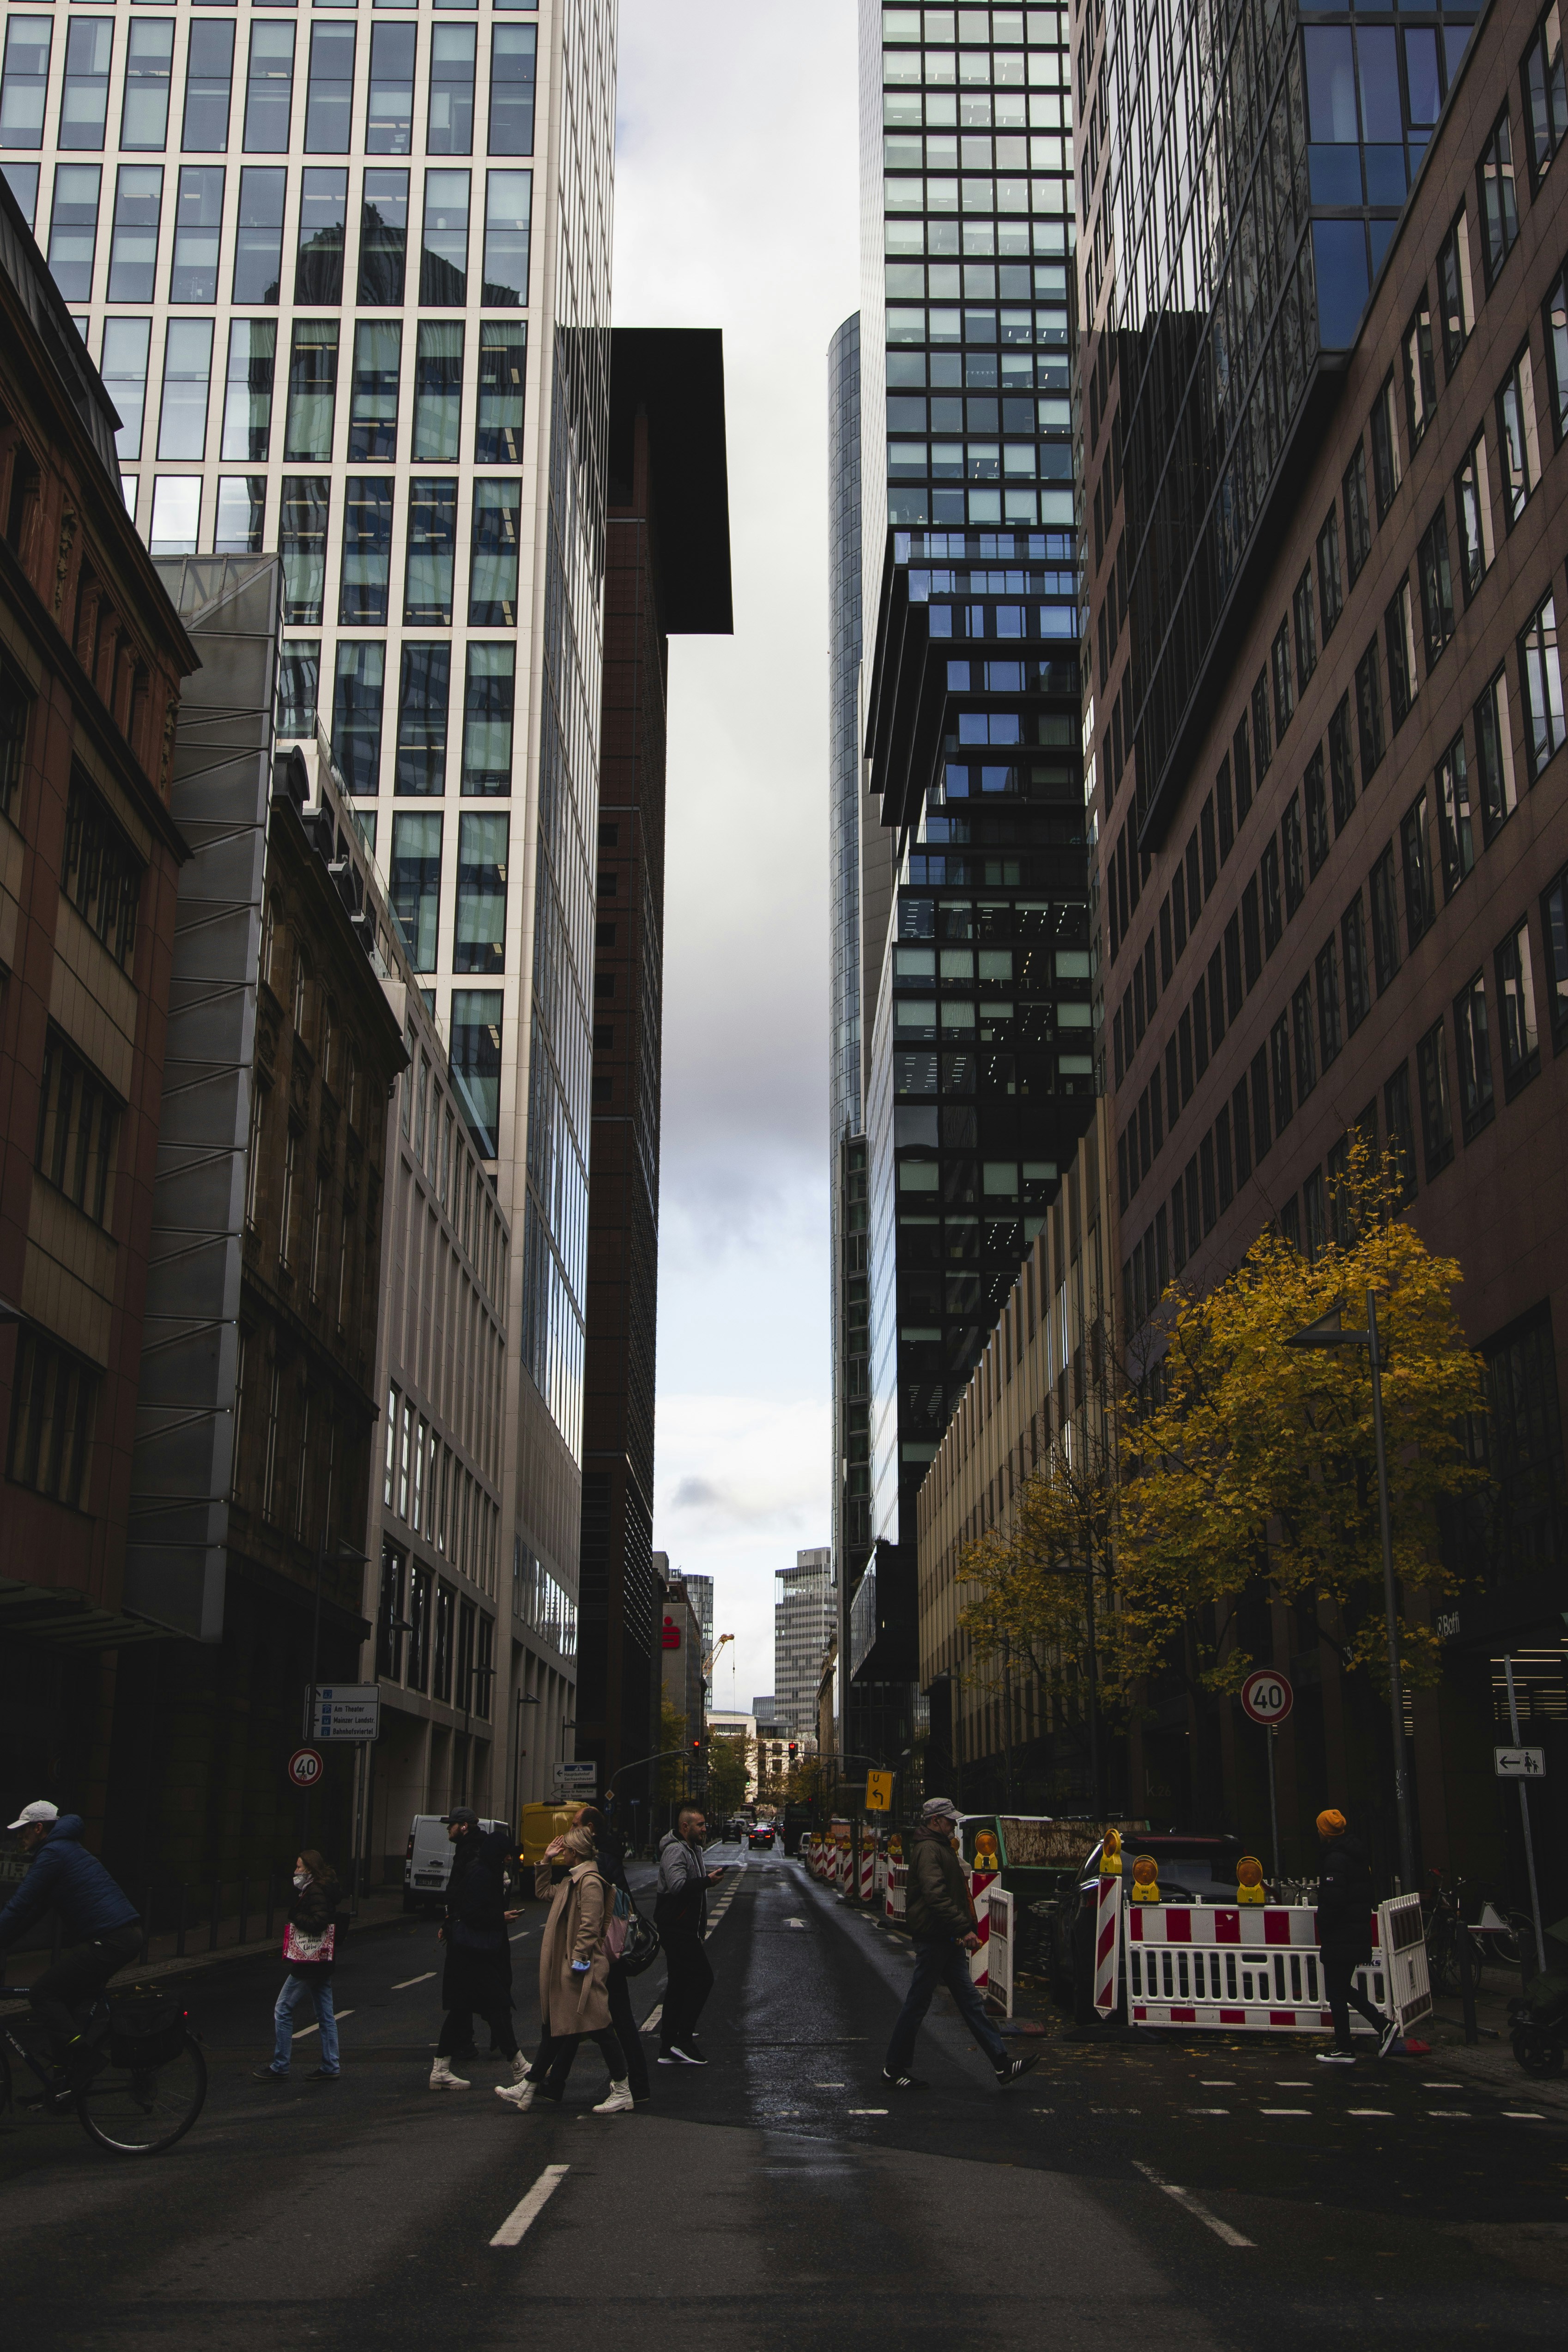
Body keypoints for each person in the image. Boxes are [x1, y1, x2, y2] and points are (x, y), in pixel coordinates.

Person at [883, 1797, 1039, 2092]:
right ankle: (894, 2067)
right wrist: (961, 1928)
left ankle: (1001, 2063)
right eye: (949, 1820)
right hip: (936, 1937)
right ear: (934, 1822)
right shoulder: (930, 1849)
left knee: (968, 2002)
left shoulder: (937, 1847)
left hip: (944, 1938)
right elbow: (936, 1895)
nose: (954, 1824)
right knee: (920, 2003)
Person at [0, 1800, 142, 2099]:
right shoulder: (62, 1849)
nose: (19, 1837)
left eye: (23, 1831)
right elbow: (31, 1914)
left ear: (39, 1828)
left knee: (43, 1994)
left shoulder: (53, 1853)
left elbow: (19, 1905)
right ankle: (63, 2086)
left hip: (111, 1941)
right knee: (60, 2006)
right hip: (120, 1937)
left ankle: (84, 2059)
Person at [496, 1823, 631, 2114]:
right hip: (575, 1967)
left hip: (584, 1969)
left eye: (565, 1850)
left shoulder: (590, 1882)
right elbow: (545, 1892)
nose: (563, 1855)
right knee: (559, 2028)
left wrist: (579, 1959)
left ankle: (622, 2089)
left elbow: (590, 1926)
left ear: (575, 1852)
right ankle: (531, 2086)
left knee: (600, 2030)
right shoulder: (574, 1881)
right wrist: (545, 1860)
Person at [430, 1810, 526, 2091]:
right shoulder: (483, 1872)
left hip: (472, 1950)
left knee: (463, 2009)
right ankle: (519, 2066)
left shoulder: (482, 1867)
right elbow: (471, 1911)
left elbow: (461, 1901)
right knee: (496, 2003)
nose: (509, 1859)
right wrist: (501, 1918)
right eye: (506, 1854)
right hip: (475, 1951)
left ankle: (441, 2069)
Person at [576, 1804, 651, 2107]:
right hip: (606, 1952)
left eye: (574, 1825)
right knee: (577, 2018)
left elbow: (615, 1908)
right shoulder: (601, 1859)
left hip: (604, 1954)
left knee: (614, 2019)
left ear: (589, 1830)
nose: (569, 1830)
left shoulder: (600, 1863)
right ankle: (546, 2083)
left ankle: (632, 2087)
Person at [1314, 1808, 1399, 2065]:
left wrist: (1325, 1924)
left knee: (1336, 1991)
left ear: (1325, 1832)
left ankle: (1346, 2046)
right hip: (1354, 1930)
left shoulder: (1335, 1859)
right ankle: (1382, 2026)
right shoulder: (1356, 1856)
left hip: (1341, 1933)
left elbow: (1334, 1899)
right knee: (1341, 1987)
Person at [253, 1849, 342, 2084]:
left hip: (309, 1962)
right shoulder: (320, 1889)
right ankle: (331, 2064)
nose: (296, 1872)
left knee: (283, 2008)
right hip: (322, 1961)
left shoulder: (314, 1891)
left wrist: (295, 1917)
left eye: (300, 1867)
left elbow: (319, 1922)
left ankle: (281, 2065)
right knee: (325, 2015)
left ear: (310, 1870)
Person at [655, 1802, 725, 2066]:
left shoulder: (693, 1849)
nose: (705, 1829)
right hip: (677, 1929)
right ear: (685, 1827)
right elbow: (677, 1887)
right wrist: (707, 1881)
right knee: (703, 1979)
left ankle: (667, 2046)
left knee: (679, 1984)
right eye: (700, 1825)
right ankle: (682, 2040)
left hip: (684, 1929)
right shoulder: (675, 1851)